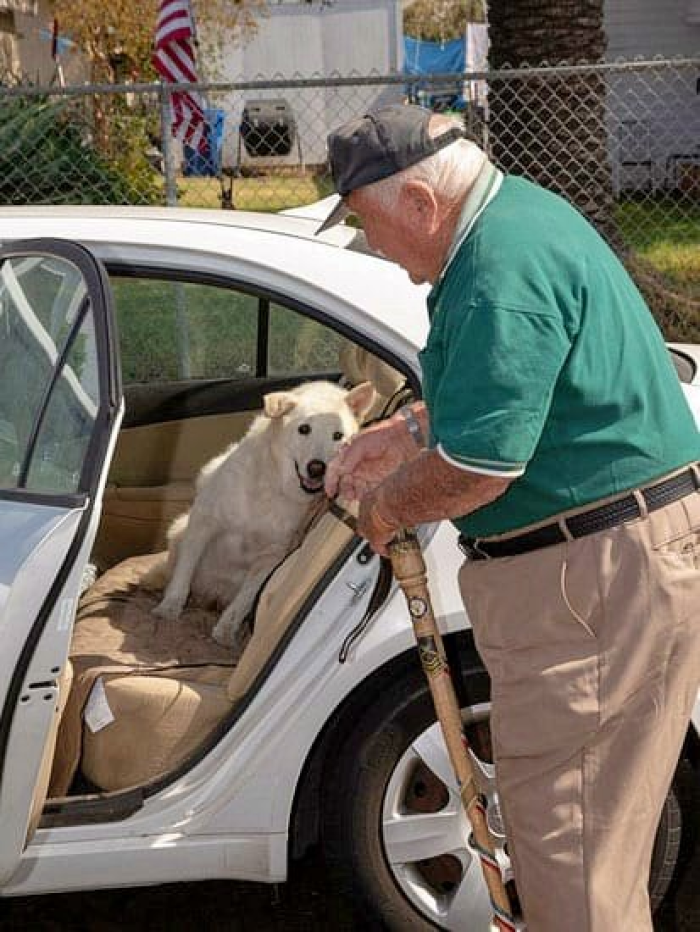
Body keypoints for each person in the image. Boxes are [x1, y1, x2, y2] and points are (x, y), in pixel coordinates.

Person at [319, 103, 700, 931]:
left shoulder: (498, 268)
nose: (373, 247)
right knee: (590, 852)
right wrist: (409, 428)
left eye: (370, 226)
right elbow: (520, 389)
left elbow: (484, 466)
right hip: (604, 575)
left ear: (421, 203)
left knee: (573, 856)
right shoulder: (517, 222)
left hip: (592, 586)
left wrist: (383, 508)